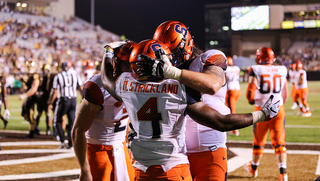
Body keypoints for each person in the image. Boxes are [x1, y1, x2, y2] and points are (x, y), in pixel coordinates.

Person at [101, 39, 280, 181]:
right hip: (174, 168)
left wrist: (108, 52)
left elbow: (107, 78)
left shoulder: (126, 84)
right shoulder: (178, 87)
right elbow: (221, 122)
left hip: (141, 170)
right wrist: (262, 114)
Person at [150, 20, 232, 180]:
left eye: (173, 52)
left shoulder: (210, 57)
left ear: (187, 44)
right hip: (176, 155)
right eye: (166, 53)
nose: (170, 57)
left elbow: (212, 84)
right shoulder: (164, 72)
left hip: (209, 151)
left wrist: (174, 73)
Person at [71, 42, 135, 181]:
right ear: (115, 64)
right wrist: (84, 169)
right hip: (98, 149)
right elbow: (77, 131)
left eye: (134, 65)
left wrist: (130, 147)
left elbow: (127, 118)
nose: (131, 71)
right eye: (127, 66)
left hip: (121, 147)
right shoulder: (98, 87)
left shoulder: (136, 83)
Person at [244, 47, 289, 181]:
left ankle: (254, 169)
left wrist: (252, 100)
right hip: (278, 109)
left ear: (259, 58)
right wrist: (279, 105)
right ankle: (283, 173)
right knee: (279, 141)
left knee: (258, 141)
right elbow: (285, 94)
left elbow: (250, 94)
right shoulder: (282, 69)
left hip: (261, 110)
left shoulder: (255, 69)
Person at [48, 61, 83, 149]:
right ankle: (71, 144)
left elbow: (55, 91)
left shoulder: (59, 76)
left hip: (63, 100)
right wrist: (83, 99)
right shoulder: (75, 75)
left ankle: (63, 140)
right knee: (72, 122)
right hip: (73, 100)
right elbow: (81, 88)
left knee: (57, 120)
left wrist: (50, 102)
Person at [19, 61, 41, 138]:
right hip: (29, 97)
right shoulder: (28, 75)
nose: (29, 68)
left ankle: (32, 131)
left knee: (30, 114)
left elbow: (34, 89)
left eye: (30, 67)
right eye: (28, 66)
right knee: (24, 113)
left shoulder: (35, 75)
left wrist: (25, 95)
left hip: (34, 97)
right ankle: (35, 128)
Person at [225, 56, 241, 136]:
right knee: (230, 109)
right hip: (237, 90)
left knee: (232, 110)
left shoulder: (226, 70)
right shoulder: (237, 68)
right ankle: (232, 128)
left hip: (230, 90)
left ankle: (235, 129)